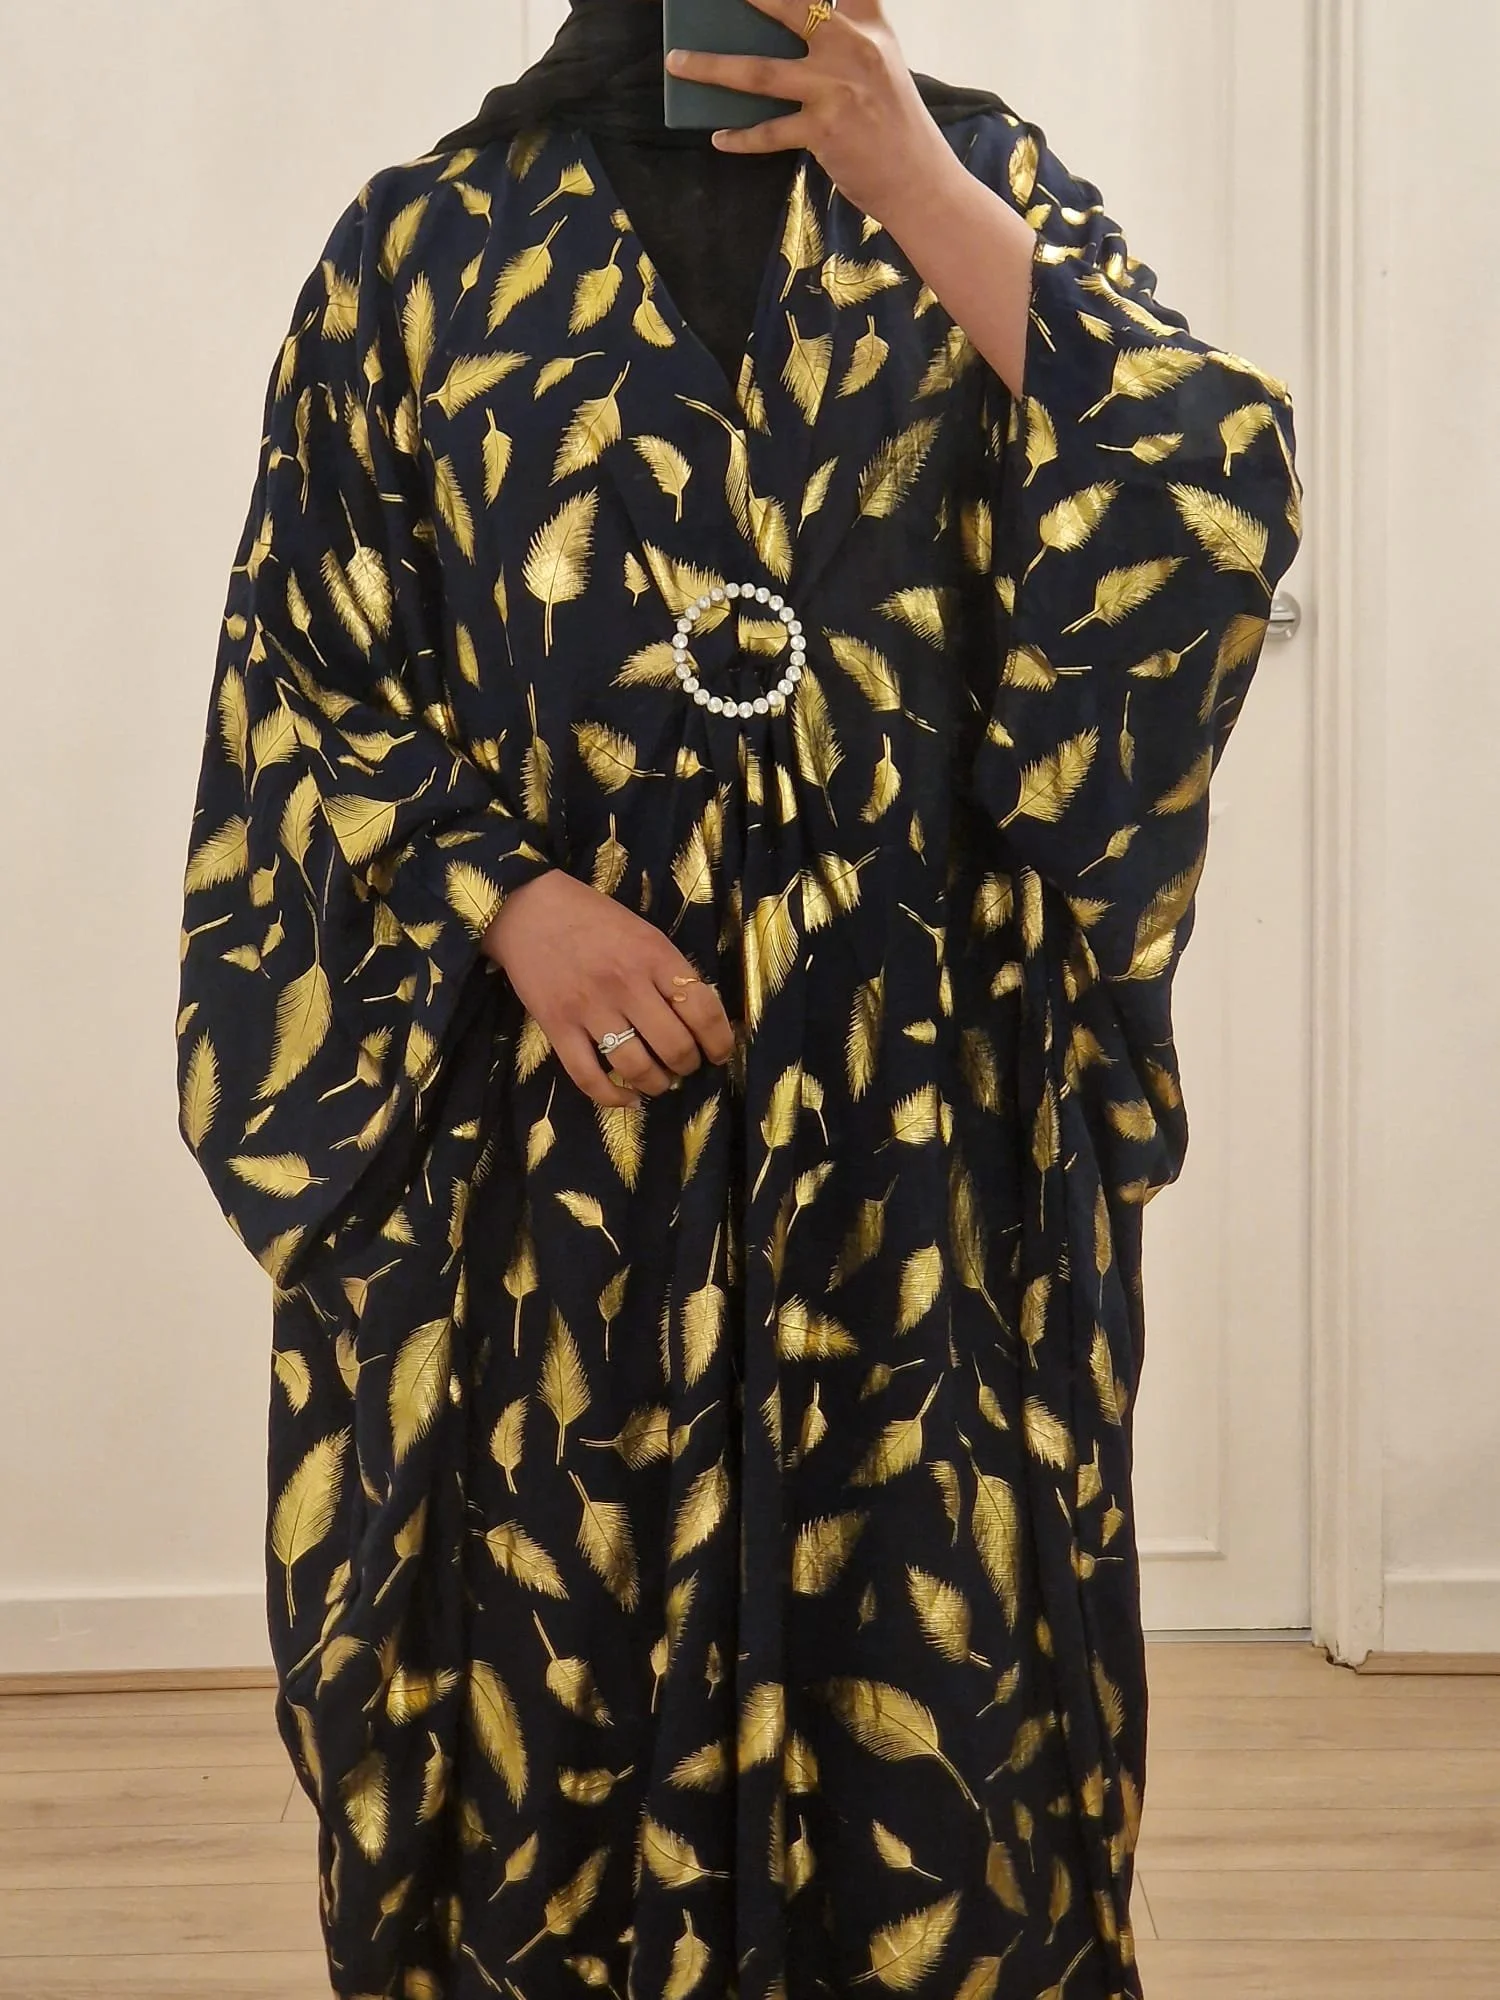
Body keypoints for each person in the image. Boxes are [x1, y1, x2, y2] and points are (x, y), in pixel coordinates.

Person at [173, 0, 1302, 1993]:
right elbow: (309, 672)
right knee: (545, 1663)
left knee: (932, 1698)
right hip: (549, 1158)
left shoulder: (981, 186)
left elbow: (1201, 500)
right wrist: (507, 899)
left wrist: (914, 180)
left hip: (912, 1145)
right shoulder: (424, 246)